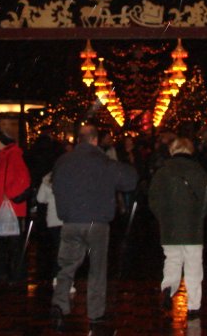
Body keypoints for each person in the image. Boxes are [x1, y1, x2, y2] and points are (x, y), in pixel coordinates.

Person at [50, 123, 138, 329]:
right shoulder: (103, 162)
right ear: (95, 140)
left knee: (67, 266)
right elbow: (130, 181)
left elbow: (56, 186)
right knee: (97, 269)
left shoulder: (63, 161)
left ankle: (60, 303)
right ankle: (96, 313)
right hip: (96, 221)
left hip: (71, 221)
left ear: (78, 139)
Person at [148, 136, 207, 319]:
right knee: (193, 265)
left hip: (170, 226)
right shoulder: (198, 171)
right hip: (192, 226)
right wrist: (199, 215)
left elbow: (153, 199)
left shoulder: (163, 172)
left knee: (172, 259)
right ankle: (193, 305)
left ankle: (168, 287)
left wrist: (163, 217)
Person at [0, 131, 31, 283]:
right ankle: (11, 274)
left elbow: (23, 180)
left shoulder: (12, 156)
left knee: (11, 245)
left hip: (11, 209)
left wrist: (9, 194)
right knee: (7, 244)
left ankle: (14, 275)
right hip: (6, 208)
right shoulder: (5, 157)